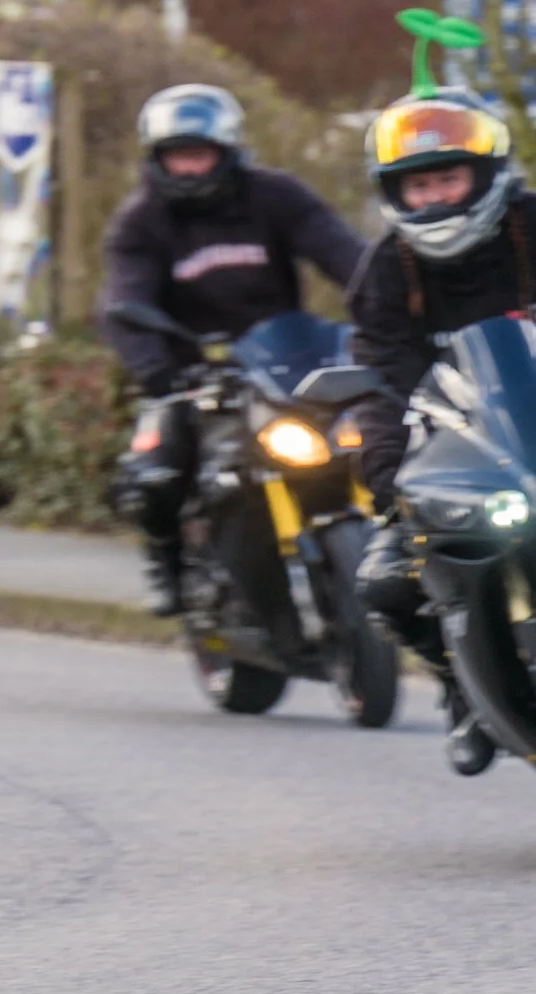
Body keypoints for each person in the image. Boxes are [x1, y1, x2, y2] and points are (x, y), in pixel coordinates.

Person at [101, 84, 364, 616]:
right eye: (178, 157)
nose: (190, 169)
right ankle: (168, 563)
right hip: (191, 374)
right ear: (156, 159)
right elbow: (124, 299)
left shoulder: (276, 196)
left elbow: (344, 254)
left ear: (227, 151)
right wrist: (153, 367)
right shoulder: (140, 223)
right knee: (156, 471)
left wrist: (381, 307)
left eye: (199, 155)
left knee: (347, 451)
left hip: (284, 363)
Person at [347, 89, 530, 772]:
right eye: (418, 184)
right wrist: (389, 484)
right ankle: (462, 683)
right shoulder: (386, 272)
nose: (435, 197)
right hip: (454, 447)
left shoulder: (532, 227)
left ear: (486, 174)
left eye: (448, 177)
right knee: (387, 582)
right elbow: (379, 383)